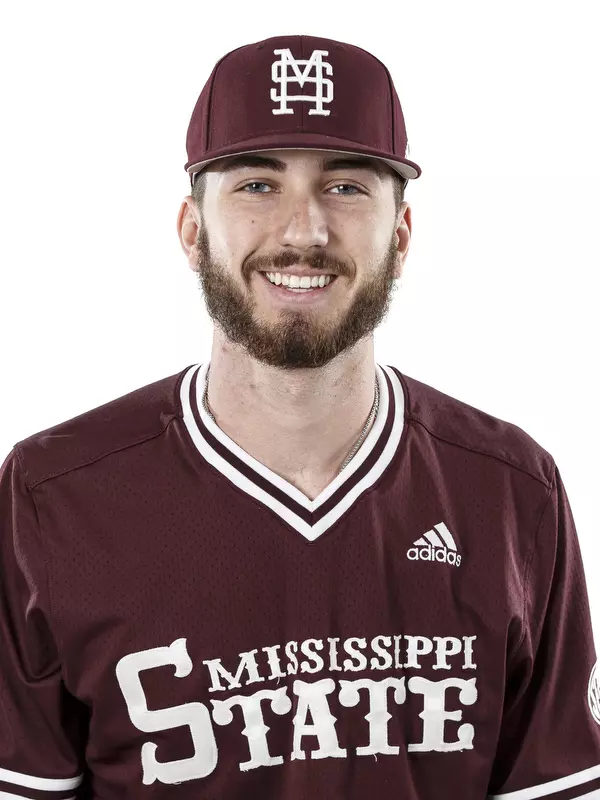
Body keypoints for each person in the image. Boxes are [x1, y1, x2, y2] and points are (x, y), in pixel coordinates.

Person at [0, 33, 598, 800]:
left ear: (402, 235)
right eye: (257, 186)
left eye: (346, 187)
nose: (304, 231)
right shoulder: (53, 496)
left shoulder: (513, 492)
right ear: (191, 230)